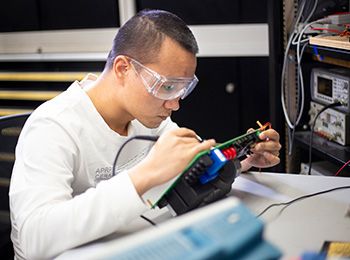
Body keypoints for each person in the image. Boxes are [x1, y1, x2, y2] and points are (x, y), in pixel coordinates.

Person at [9, 9, 281, 259]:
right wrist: (144, 175)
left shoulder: (147, 118)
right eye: (167, 87)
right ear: (123, 69)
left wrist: (243, 159)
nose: (175, 104)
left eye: (183, 89)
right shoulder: (53, 126)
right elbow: (35, 239)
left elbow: (195, 166)